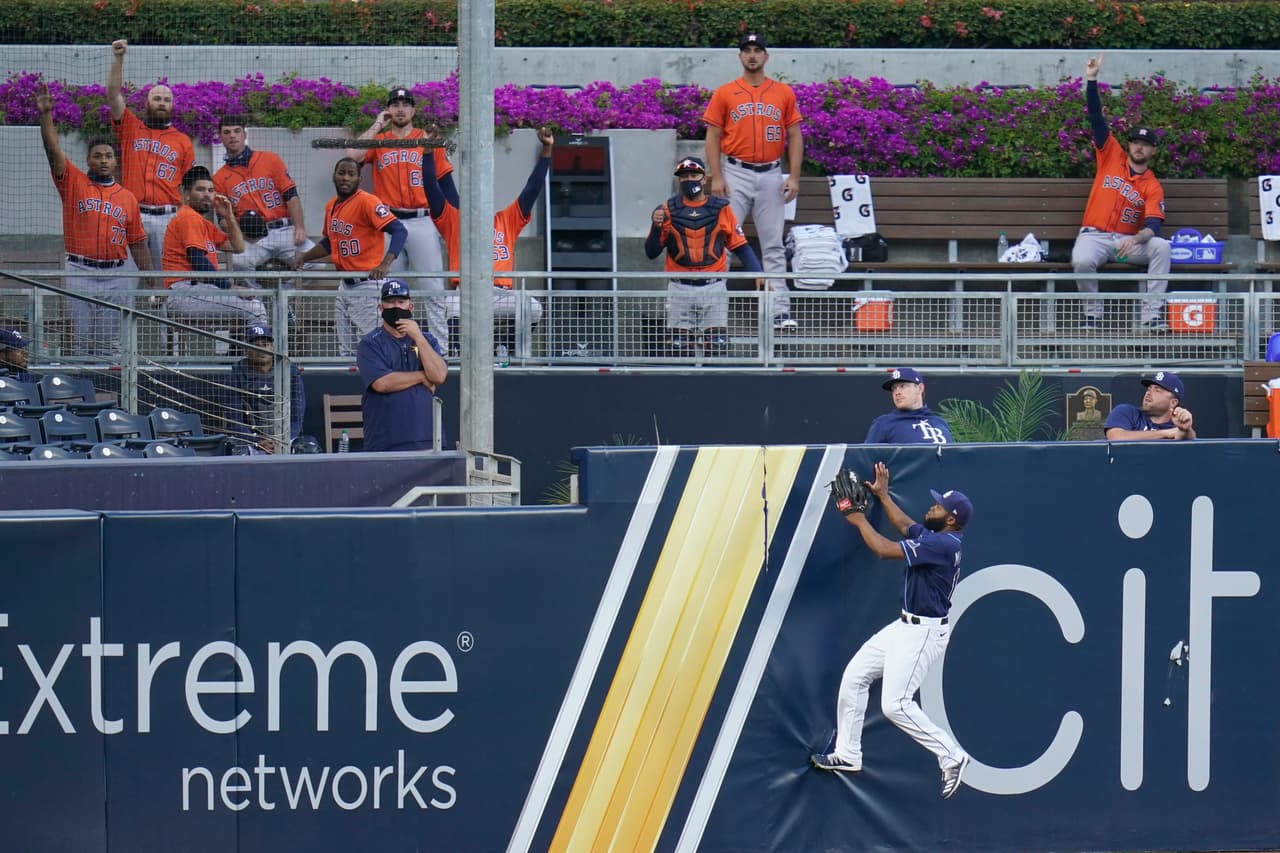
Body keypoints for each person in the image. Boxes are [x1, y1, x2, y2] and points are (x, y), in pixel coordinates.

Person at [811, 462, 974, 800]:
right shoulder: (935, 536)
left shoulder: (943, 546)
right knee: (855, 676)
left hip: (923, 633)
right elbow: (904, 526)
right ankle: (848, 753)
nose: (931, 506)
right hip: (904, 625)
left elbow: (884, 550)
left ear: (952, 520)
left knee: (895, 705)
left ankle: (952, 755)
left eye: (938, 506)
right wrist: (883, 496)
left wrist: (856, 519)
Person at [37, 81, 152, 357]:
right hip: (80, 271)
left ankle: (109, 399)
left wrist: (153, 280)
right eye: (97, 156)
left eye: (108, 156)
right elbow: (53, 153)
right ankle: (80, 398)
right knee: (80, 342)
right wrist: (45, 115)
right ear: (88, 161)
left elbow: (137, 243)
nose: (103, 160)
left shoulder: (127, 197)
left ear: (115, 162)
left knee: (107, 346)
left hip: (116, 274)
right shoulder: (74, 183)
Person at [702, 32, 804, 332]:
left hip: (772, 173)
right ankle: (714, 313)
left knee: (773, 245)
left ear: (766, 56)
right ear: (740, 56)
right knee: (722, 242)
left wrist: (794, 176)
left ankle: (778, 311)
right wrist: (716, 176)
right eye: (747, 50)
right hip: (735, 172)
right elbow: (713, 136)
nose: (752, 55)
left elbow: (795, 135)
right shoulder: (725, 92)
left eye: (758, 50)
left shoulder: (783, 92)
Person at [422, 126, 551, 355]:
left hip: (499, 294)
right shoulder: (455, 220)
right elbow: (431, 188)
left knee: (532, 308)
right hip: (465, 293)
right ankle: (457, 355)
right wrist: (428, 152)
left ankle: (506, 349)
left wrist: (547, 151)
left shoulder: (506, 219)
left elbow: (533, 188)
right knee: (449, 307)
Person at [349, 87, 457, 349]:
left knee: (433, 287)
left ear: (413, 110)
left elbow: (445, 181)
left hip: (423, 220)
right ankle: (389, 347)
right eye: (395, 104)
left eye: (405, 104)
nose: (400, 109)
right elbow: (352, 156)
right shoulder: (380, 140)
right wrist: (377, 123)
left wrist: (455, 220)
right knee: (387, 290)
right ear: (388, 109)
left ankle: (440, 350)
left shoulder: (427, 138)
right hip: (388, 223)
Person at [1073, 54, 1171, 332]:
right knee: (1081, 260)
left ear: (1153, 150)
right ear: (1128, 146)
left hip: (1126, 245)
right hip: (1095, 237)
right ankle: (1092, 315)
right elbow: (1096, 118)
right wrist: (1091, 80)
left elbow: (1153, 225)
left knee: (1162, 247)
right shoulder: (1110, 156)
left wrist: (1135, 239)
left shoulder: (1152, 185)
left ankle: (1151, 317)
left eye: (1145, 144)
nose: (1139, 147)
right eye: (1135, 142)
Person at [644, 156, 763, 358]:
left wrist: (759, 274)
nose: (689, 180)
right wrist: (656, 228)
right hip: (679, 285)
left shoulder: (721, 208)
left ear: (704, 178)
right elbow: (651, 252)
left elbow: (740, 245)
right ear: (678, 180)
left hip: (713, 285)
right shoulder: (666, 209)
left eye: (694, 175)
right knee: (678, 346)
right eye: (684, 176)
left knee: (717, 345)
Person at [296, 158, 408, 357]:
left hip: (367, 283)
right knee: (345, 349)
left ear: (358, 178)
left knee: (372, 345)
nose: (345, 178)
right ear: (334, 176)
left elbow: (399, 230)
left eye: (351, 174)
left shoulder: (367, 201)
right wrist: (305, 257)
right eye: (342, 173)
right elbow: (330, 242)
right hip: (344, 284)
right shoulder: (331, 205)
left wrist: (385, 263)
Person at [106, 38, 196, 270]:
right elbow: (113, 95)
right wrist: (118, 58)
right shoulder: (130, 127)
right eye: (156, 98)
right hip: (134, 214)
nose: (161, 103)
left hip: (168, 217)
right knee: (128, 276)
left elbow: (189, 186)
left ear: (173, 106)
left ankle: (164, 308)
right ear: (146, 103)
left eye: (166, 100)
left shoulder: (183, 141)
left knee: (167, 277)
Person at [161, 166, 267, 326]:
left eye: (211, 190)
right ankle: (261, 351)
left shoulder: (203, 222)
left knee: (249, 307)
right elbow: (198, 261)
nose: (207, 195)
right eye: (200, 189)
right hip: (185, 292)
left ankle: (237, 352)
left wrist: (230, 217)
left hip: (198, 291)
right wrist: (230, 287)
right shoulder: (189, 218)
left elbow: (238, 247)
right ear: (187, 194)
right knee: (255, 308)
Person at [212, 116, 312, 286]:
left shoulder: (270, 159)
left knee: (316, 262)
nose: (232, 136)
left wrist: (299, 226)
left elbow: (291, 196)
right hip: (254, 240)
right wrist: (241, 235)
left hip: (283, 230)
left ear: (244, 134)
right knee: (238, 263)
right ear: (220, 138)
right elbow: (222, 221)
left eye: (237, 131)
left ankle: (283, 301)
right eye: (226, 132)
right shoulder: (219, 178)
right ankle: (260, 306)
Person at [356, 278, 448, 452]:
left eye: (401, 301)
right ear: (380, 307)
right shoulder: (370, 343)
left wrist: (418, 337)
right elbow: (382, 383)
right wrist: (422, 376)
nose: (395, 306)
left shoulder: (427, 340)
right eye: (389, 302)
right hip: (387, 442)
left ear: (410, 306)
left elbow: (439, 376)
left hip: (429, 439)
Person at [222, 323, 305, 452]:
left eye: (265, 344)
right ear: (246, 350)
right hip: (250, 441)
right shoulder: (237, 374)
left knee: (309, 448)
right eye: (255, 346)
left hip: (286, 439)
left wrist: (283, 440)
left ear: (272, 347)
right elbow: (234, 419)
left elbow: (297, 417)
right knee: (239, 452)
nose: (261, 349)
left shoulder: (290, 372)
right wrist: (257, 442)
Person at [864, 367, 953, 444]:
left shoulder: (940, 422)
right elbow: (866, 458)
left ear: (920, 388)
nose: (897, 392)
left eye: (902, 386)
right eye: (894, 389)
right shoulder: (883, 423)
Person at [1104, 370, 1195, 440]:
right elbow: (1115, 437)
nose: (1148, 393)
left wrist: (1186, 430)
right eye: (1149, 389)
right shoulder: (1127, 412)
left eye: (1157, 390)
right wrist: (1165, 434)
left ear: (1173, 403)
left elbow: (1188, 439)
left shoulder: (1176, 426)